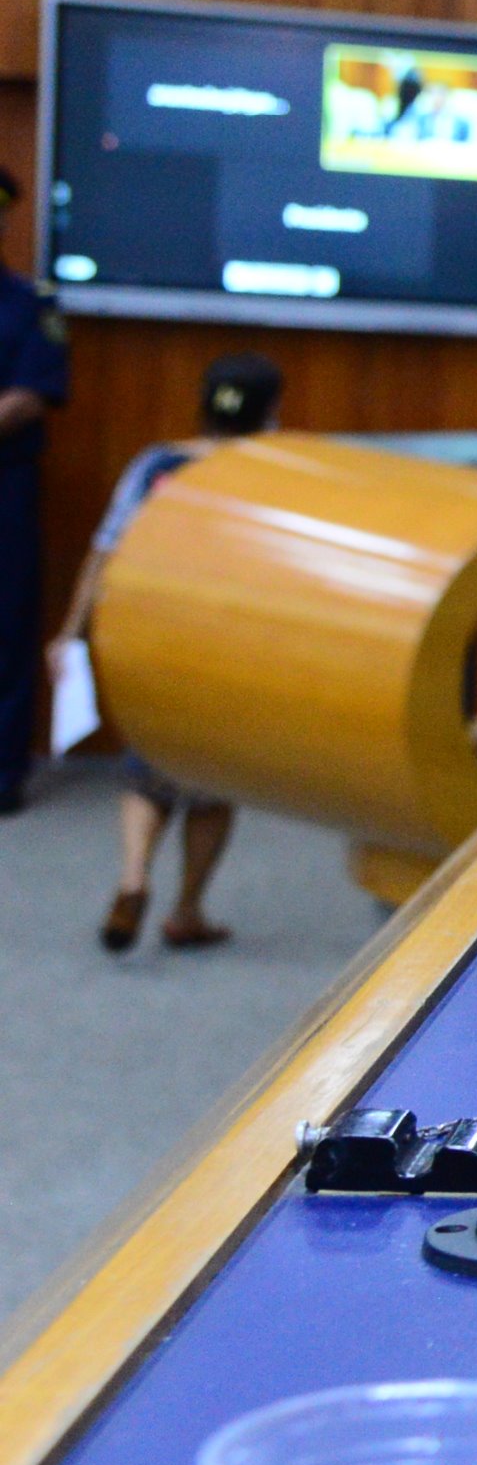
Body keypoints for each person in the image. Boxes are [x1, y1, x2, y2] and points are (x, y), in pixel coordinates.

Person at [57, 352, 282, 948]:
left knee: (147, 766)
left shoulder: (157, 464)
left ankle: (133, 877)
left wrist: (70, 631)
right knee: (213, 787)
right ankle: (186, 911)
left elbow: (105, 550)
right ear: (270, 411)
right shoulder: (273, 474)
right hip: (227, 645)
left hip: (150, 635)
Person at [0, 168, 71, 816]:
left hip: (5, 485)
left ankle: (3, 773)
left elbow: (29, 397)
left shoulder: (30, 303)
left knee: (7, 624)